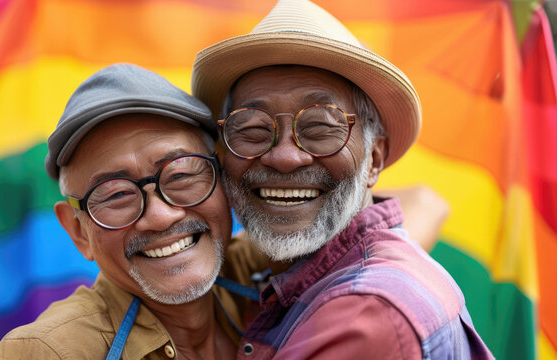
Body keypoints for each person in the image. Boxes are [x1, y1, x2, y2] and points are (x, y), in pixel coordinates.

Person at [191, 0, 494, 358]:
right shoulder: (290, 279)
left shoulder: (365, 317)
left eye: (320, 127)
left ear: (374, 160)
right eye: (253, 129)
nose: (285, 157)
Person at [0, 64, 242, 359]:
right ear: (78, 231)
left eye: (180, 175)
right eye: (117, 195)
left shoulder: (265, 273)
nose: (161, 216)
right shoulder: (48, 352)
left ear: (225, 179)